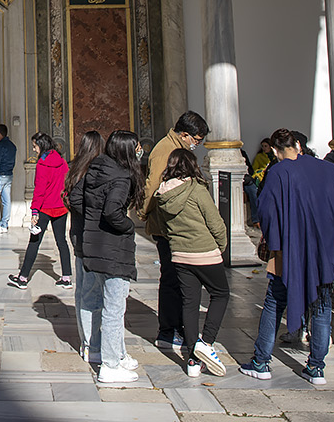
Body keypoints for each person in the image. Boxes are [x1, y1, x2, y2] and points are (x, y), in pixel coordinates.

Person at [240, 127, 334, 386]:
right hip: (322, 250)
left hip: (290, 248)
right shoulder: (323, 168)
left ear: (278, 151)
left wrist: (274, 238)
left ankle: (261, 362)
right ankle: (316, 367)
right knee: (322, 304)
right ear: (298, 147)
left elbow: (267, 211)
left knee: (274, 301)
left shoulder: (279, 171)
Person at [69, 129, 146, 387]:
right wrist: (127, 227)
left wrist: (92, 217)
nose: (139, 150)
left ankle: (103, 351)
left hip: (93, 244)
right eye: (136, 146)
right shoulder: (122, 177)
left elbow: (76, 197)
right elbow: (113, 211)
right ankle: (110, 365)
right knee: (114, 307)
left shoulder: (95, 168)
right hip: (113, 248)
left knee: (93, 298)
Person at [152, 148, 230, 377]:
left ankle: (193, 360)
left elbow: (163, 227)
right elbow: (215, 223)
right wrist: (221, 247)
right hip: (205, 251)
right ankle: (206, 342)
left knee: (189, 303)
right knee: (221, 294)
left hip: (179, 254)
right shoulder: (197, 189)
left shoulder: (162, 193)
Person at [142, 110, 209, 350]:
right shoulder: (165, 150)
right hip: (167, 226)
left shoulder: (173, 146)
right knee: (171, 279)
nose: (197, 145)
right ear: (184, 135)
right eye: (196, 140)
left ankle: (179, 326)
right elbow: (153, 186)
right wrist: (144, 212)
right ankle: (168, 330)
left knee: (181, 279)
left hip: (177, 226)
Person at [8, 132, 71, 289]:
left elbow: (39, 190)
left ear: (41, 146)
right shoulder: (62, 162)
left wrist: (34, 211)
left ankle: (22, 278)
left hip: (46, 208)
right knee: (62, 242)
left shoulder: (43, 164)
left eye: (35, 147)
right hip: (61, 207)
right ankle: (67, 277)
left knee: (34, 242)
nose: (34, 150)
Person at [64, 130, 104, 364]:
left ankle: (87, 341)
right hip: (91, 238)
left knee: (83, 291)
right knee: (92, 292)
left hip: (78, 235)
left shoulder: (74, 170)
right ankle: (91, 344)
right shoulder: (93, 173)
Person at [0, 123, 18, 233]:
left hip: (0, 175)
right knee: (7, 200)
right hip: (9, 175)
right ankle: (4, 224)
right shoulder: (12, 146)